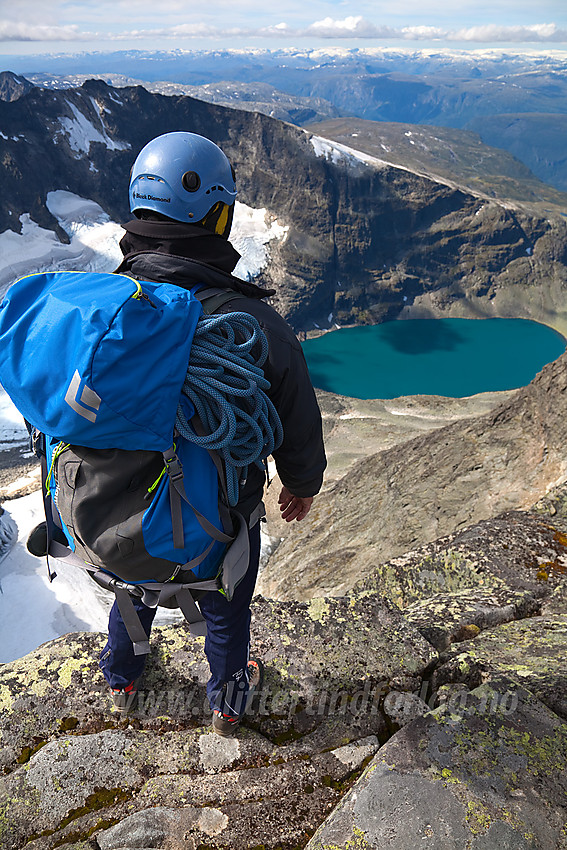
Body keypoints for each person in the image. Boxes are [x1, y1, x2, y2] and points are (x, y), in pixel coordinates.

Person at [98, 131, 327, 735]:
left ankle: (121, 675)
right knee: (227, 604)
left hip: (112, 517)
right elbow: (297, 413)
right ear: (216, 216)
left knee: (133, 584)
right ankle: (228, 700)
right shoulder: (249, 323)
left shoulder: (105, 308)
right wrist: (302, 482)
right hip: (211, 526)